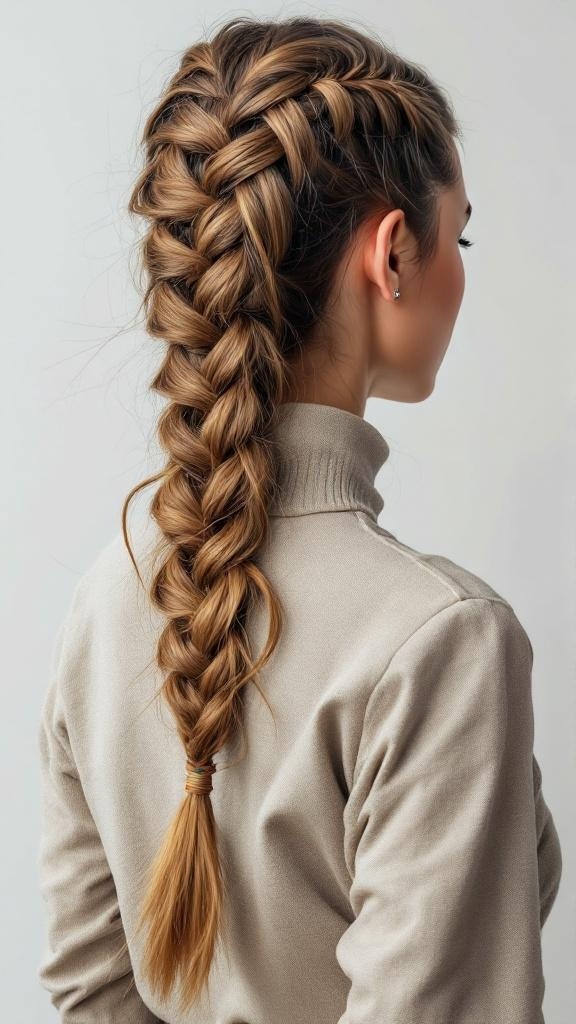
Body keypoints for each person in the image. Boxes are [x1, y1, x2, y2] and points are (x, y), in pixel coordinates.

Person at [36, 14, 562, 1024]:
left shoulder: (109, 595)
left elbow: (93, 993)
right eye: (462, 233)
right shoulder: (439, 642)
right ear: (393, 253)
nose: (462, 267)